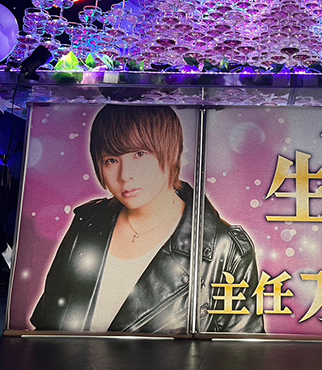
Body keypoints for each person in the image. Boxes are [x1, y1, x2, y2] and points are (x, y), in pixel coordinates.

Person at [30, 105, 263, 334]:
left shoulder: (225, 248)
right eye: (111, 160)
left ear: (171, 152)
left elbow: (241, 348)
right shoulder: (87, 223)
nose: (125, 175)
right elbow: (46, 327)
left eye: (139, 154)